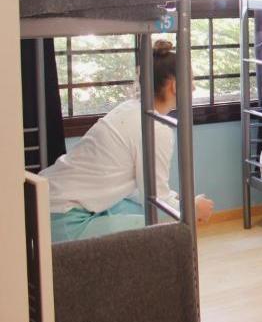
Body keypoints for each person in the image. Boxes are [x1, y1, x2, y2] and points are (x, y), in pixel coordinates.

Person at [42, 40, 214, 242]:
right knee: (167, 228)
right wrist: (193, 209)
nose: (194, 87)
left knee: (147, 210)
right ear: (174, 86)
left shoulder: (129, 108)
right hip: (63, 218)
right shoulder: (155, 128)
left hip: (45, 201)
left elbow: (143, 191)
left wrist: (180, 200)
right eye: (191, 80)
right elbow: (158, 202)